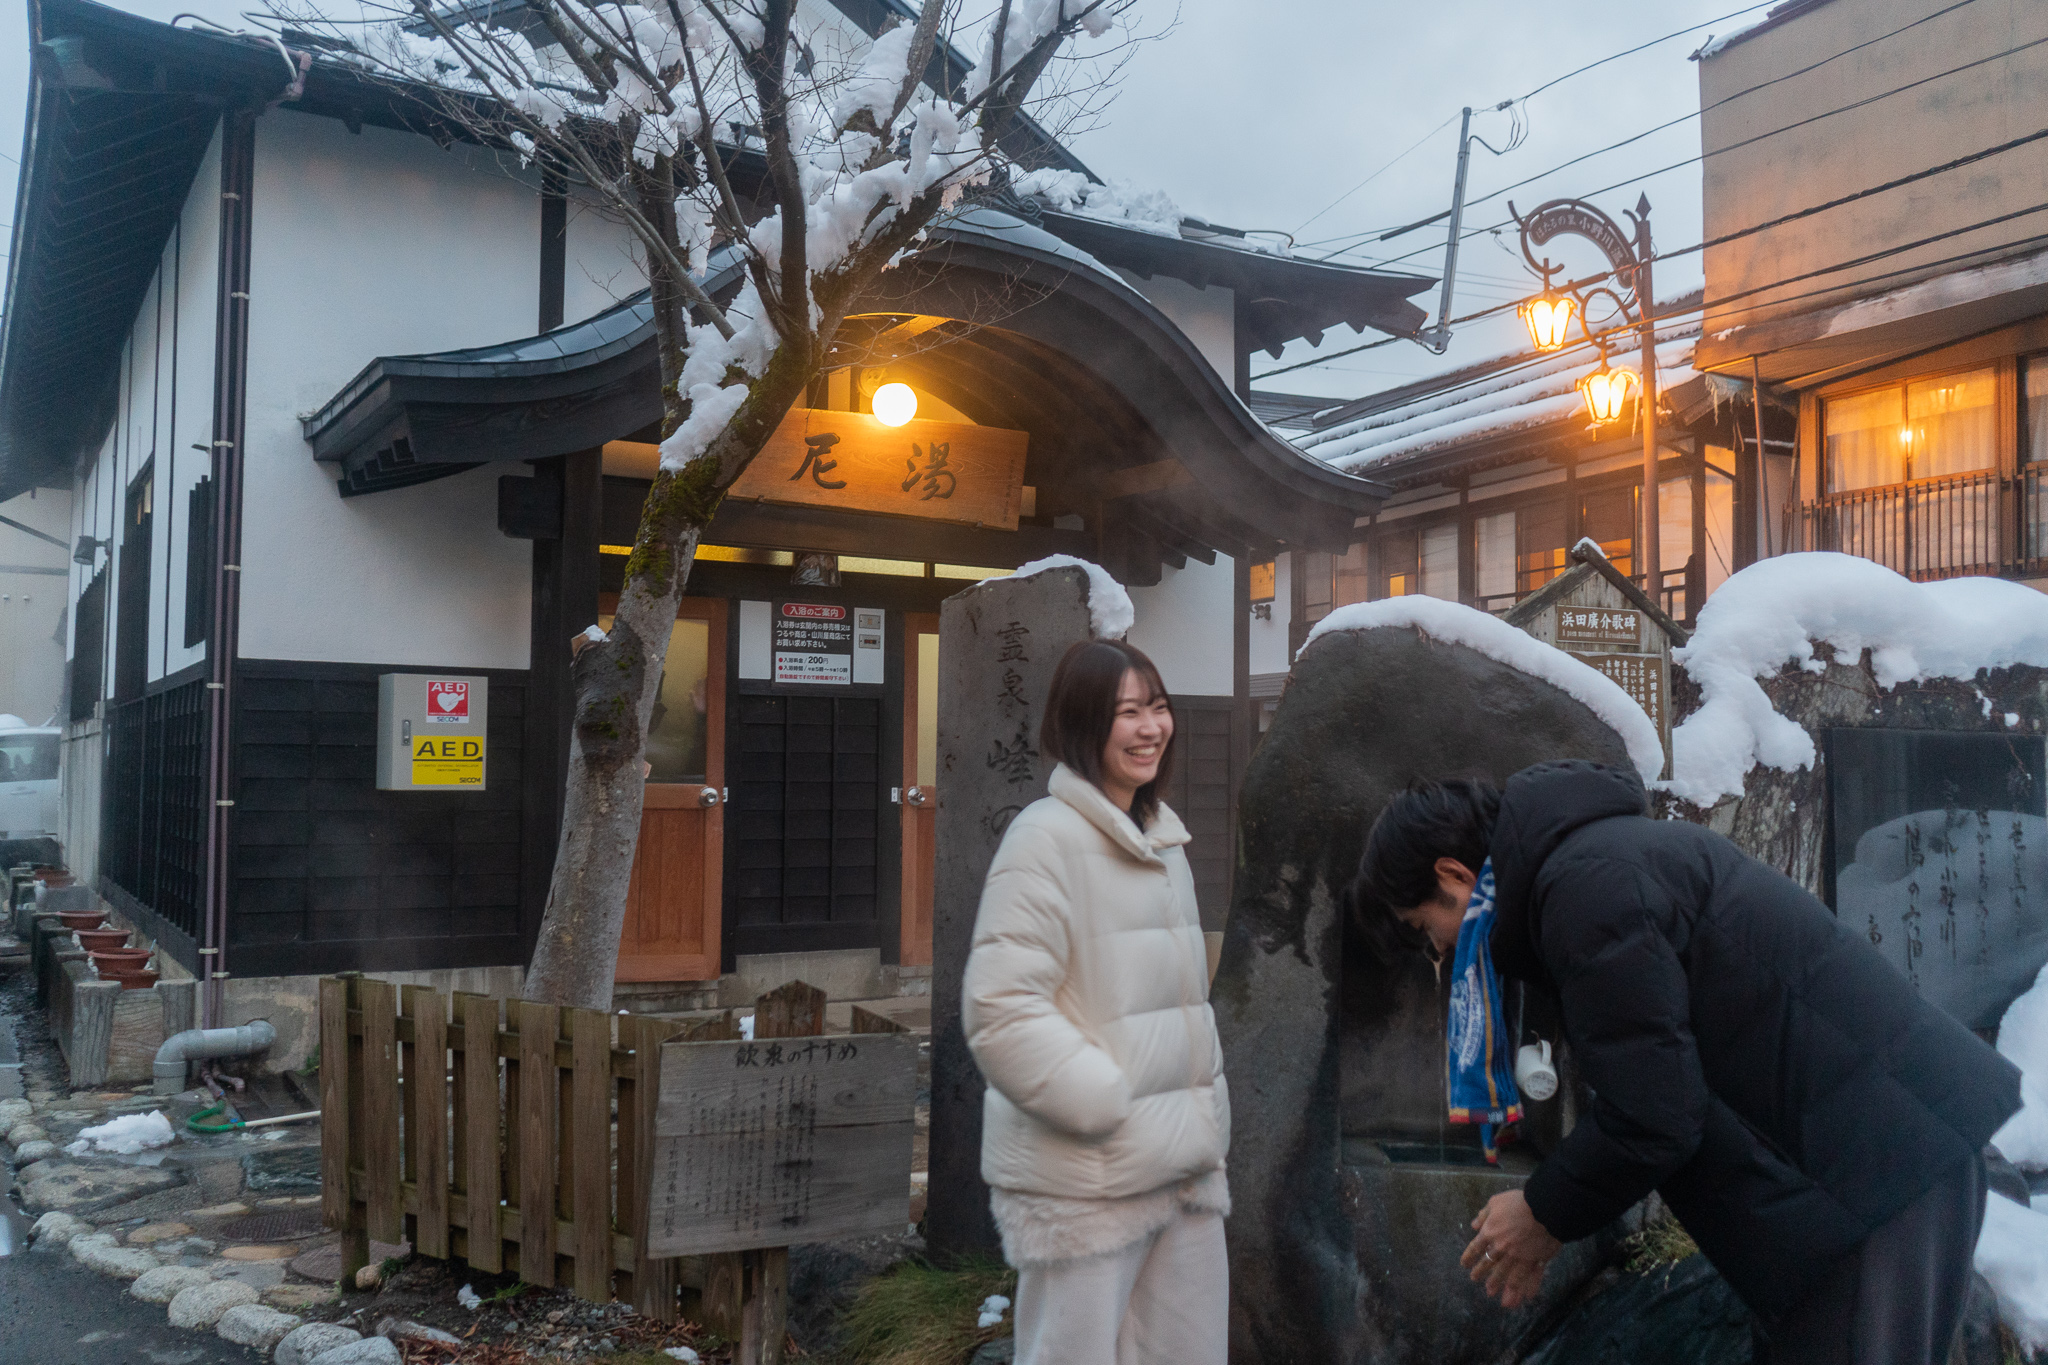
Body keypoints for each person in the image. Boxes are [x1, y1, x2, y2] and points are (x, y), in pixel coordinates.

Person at [1349, 760, 2021, 1365]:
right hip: (1853, 1184)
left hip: (1877, 1177)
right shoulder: (1593, 869)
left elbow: (1655, 1113)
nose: (1440, 955)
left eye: (1422, 931)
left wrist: (1543, 1210)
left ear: (1453, 876)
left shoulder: (1587, 890)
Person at [962, 639, 1230, 1365]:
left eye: (1159, 707)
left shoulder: (1165, 840)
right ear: (1083, 723)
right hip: (1086, 1180)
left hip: (1183, 1174)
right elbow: (999, 1008)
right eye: (1128, 712)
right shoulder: (1043, 840)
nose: (1152, 727)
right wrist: (1106, 1102)